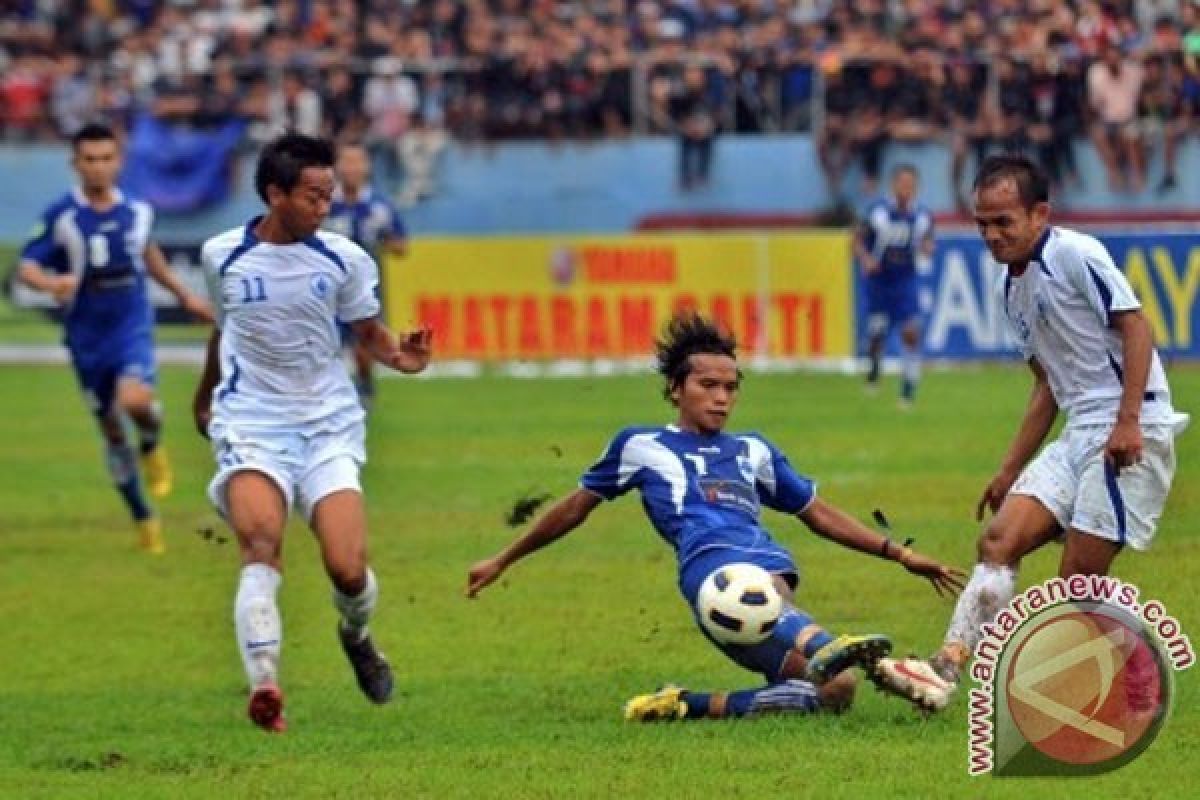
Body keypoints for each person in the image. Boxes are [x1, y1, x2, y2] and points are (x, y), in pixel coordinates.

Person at [466, 313, 964, 721]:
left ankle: (687, 705)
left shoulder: (753, 450)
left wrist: (898, 553)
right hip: (711, 575)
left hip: (763, 571)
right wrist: (504, 559)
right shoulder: (640, 445)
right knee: (759, 587)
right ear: (675, 388)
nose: (721, 397)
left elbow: (818, 514)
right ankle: (865, 657)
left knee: (836, 691)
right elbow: (574, 508)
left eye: (730, 387)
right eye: (708, 385)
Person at [876, 155, 1189, 710]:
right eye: (982, 224)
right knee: (999, 540)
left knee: (1079, 580)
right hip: (1078, 433)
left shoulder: (1076, 253)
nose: (992, 235)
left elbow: (1136, 327)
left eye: (1003, 221)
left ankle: (1138, 677)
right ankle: (946, 667)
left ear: (1039, 214)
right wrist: (1008, 469)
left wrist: (1128, 421)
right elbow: (1046, 385)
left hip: (1128, 431)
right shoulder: (1012, 289)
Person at [192, 133, 433, 733]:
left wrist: (402, 357)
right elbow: (225, 332)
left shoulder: (344, 258)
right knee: (260, 545)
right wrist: (204, 396)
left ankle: (358, 637)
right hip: (250, 421)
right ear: (275, 194)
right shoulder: (220, 255)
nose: (325, 208)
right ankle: (265, 685)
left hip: (327, 424)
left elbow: (369, 333)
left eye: (329, 196)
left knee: (348, 569)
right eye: (314, 196)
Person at [17, 122, 213, 555]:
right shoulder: (61, 215)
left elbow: (150, 256)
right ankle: (143, 517)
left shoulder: (137, 212)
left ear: (118, 161)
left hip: (130, 320)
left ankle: (152, 443)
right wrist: (52, 285)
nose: (99, 167)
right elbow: (27, 266)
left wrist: (186, 297)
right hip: (86, 332)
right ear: (75, 163)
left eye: (106, 158)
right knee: (110, 430)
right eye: (90, 159)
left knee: (137, 401)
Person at [323, 142, 408, 410]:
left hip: (366, 288)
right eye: (346, 162)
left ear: (367, 168)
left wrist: (382, 240)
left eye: (357, 162)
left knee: (364, 343)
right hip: (327, 288)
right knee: (325, 343)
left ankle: (364, 384)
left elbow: (401, 245)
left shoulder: (379, 207)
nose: (351, 169)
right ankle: (325, 394)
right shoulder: (324, 204)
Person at [854, 164, 934, 408]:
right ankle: (875, 366)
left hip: (905, 279)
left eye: (910, 185)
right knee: (877, 333)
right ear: (893, 185)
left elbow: (929, 242)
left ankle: (908, 388)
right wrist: (866, 259)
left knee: (910, 331)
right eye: (902, 183)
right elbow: (857, 239)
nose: (906, 189)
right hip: (880, 280)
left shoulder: (921, 214)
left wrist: (927, 249)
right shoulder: (877, 211)